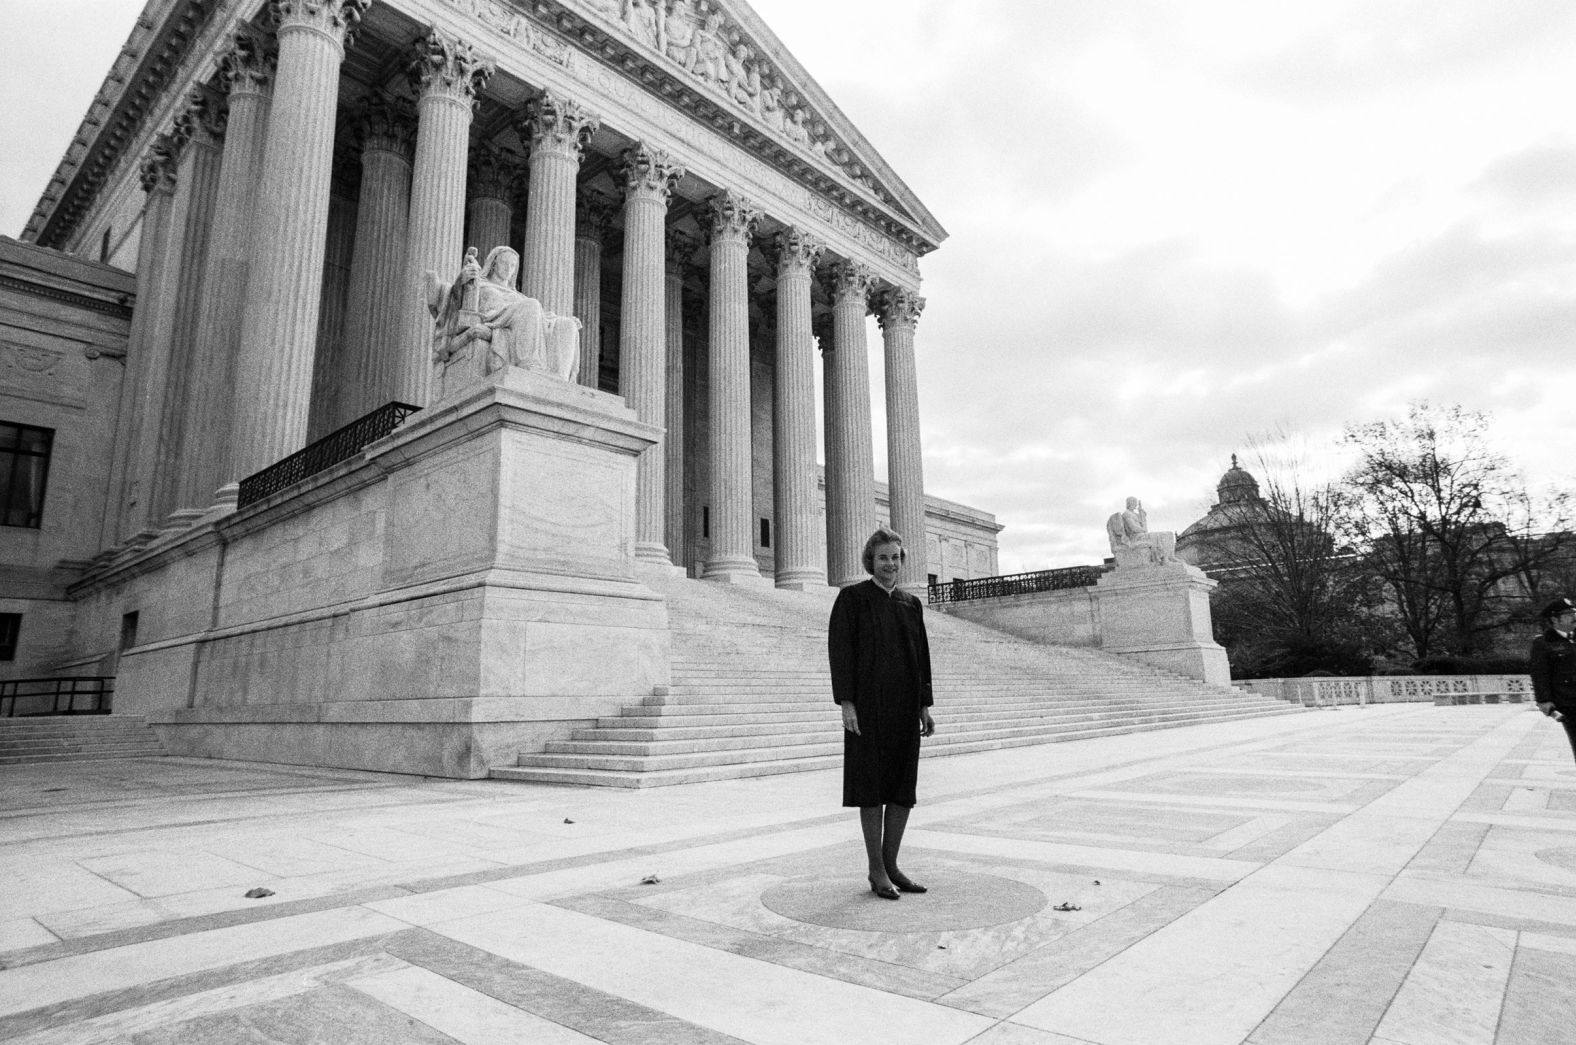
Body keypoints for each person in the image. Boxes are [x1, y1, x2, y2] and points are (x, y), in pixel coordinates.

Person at [829, 527, 936, 900]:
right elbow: (841, 652)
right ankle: (875, 870)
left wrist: (924, 704)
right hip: (868, 710)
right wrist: (847, 702)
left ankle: (892, 865)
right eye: (883, 558)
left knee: (902, 789)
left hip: (904, 708)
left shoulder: (911, 604)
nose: (890, 564)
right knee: (871, 788)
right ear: (870, 561)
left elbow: (920, 657)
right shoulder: (852, 599)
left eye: (895, 557)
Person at [1531, 597, 1576, 761]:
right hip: (1569, 702)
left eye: (1573, 612)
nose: (1573, 616)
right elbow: (1539, 673)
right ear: (1555, 619)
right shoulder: (1543, 643)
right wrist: (1544, 700)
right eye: (1568, 614)